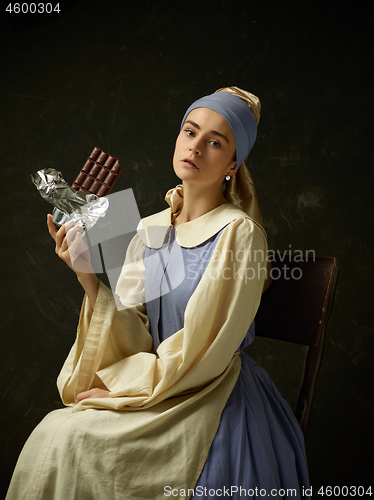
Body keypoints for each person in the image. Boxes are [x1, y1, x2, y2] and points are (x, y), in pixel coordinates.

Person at [6, 87, 309, 499]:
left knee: (67, 437)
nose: (196, 147)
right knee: (55, 433)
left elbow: (203, 347)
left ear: (233, 164)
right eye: (190, 132)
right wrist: (88, 277)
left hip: (209, 394)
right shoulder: (152, 228)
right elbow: (141, 329)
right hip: (158, 384)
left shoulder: (238, 234)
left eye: (215, 142)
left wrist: (122, 389)